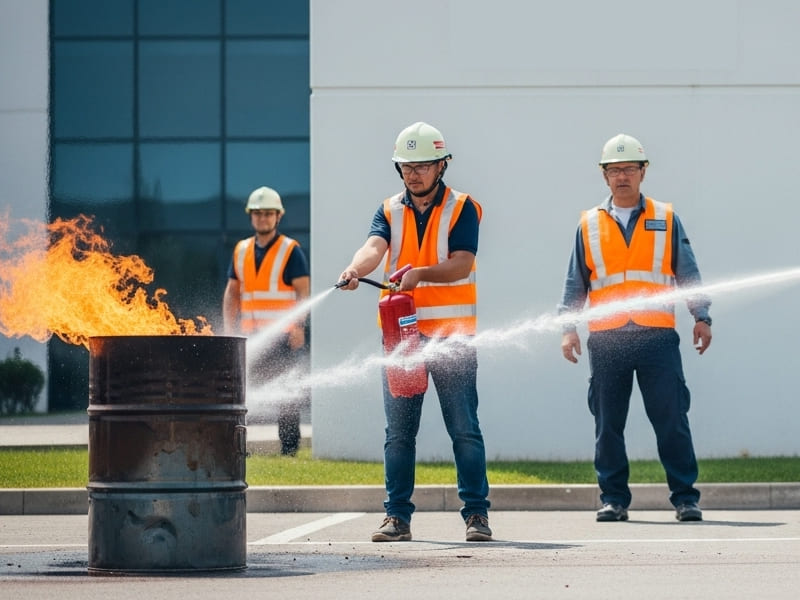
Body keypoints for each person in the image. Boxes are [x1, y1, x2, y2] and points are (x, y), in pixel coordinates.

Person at [337, 121, 492, 542]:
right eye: (406, 166)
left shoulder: (463, 207)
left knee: (464, 428)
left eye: (423, 165)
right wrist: (355, 269)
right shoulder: (388, 208)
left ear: (442, 166)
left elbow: (463, 262)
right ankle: (397, 518)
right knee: (399, 433)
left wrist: (421, 273)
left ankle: (476, 515)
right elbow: (373, 248)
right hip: (402, 338)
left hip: (453, 336)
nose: (414, 174)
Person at [558, 133, 712, 523]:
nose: (621, 176)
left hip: (657, 336)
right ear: (604, 176)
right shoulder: (589, 224)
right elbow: (575, 281)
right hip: (607, 339)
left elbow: (688, 272)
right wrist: (568, 328)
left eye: (629, 168)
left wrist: (701, 316)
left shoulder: (666, 217)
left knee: (672, 419)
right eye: (614, 170)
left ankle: (685, 498)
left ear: (643, 172)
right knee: (608, 424)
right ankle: (613, 498)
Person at [223, 186, 310, 456]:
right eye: (258, 213)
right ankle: (239, 449)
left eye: (268, 213)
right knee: (241, 396)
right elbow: (232, 292)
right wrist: (228, 330)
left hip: (283, 337)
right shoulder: (241, 250)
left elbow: (303, 292)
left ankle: (289, 450)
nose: (263, 218)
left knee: (286, 395)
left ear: (278, 216)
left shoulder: (290, 250)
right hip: (250, 337)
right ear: (251, 216)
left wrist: (299, 326)